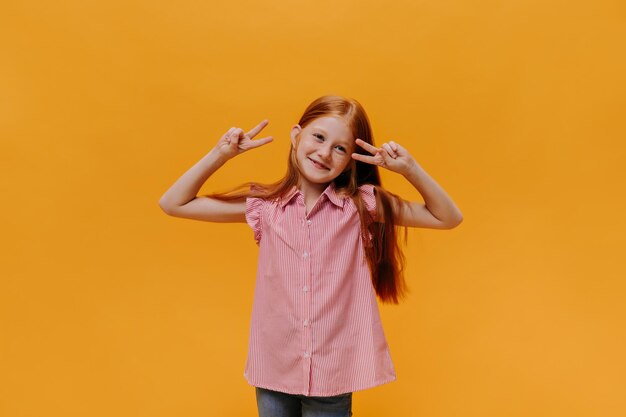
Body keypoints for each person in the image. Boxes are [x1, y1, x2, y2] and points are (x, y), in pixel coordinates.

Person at [159, 95, 463, 417]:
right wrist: (220, 155)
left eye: (340, 148)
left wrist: (410, 169)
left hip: (333, 373)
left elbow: (448, 217)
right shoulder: (265, 206)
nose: (324, 153)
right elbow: (173, 203)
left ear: (351, 160)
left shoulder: (361, 206)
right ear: (296, 136)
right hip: (275, 368)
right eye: (318, 137)